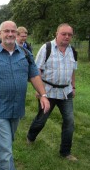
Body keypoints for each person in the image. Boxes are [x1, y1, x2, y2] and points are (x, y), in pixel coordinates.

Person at [0, 21, 50, 170]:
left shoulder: (25, 53)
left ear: (16, 34)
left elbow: (34, 75)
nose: (10, 34)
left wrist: (43, 94)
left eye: (13, 31)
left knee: (8, 142)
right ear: (0, 33)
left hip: (17, 108)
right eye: (6, 31)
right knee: (7, 151)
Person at [27, 23, 78, 161]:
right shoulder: (46, 48)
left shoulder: (72, 51)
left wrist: (73, 87)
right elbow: (37, 71)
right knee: (41, 120)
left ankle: (65, 152)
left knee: (69, 121)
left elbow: (73, 70)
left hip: (65, 93)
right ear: (56, 33)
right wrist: (39, 90)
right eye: (64, 34)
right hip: (48, 92)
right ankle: (30, 137)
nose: (67, 37)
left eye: (69, 34)